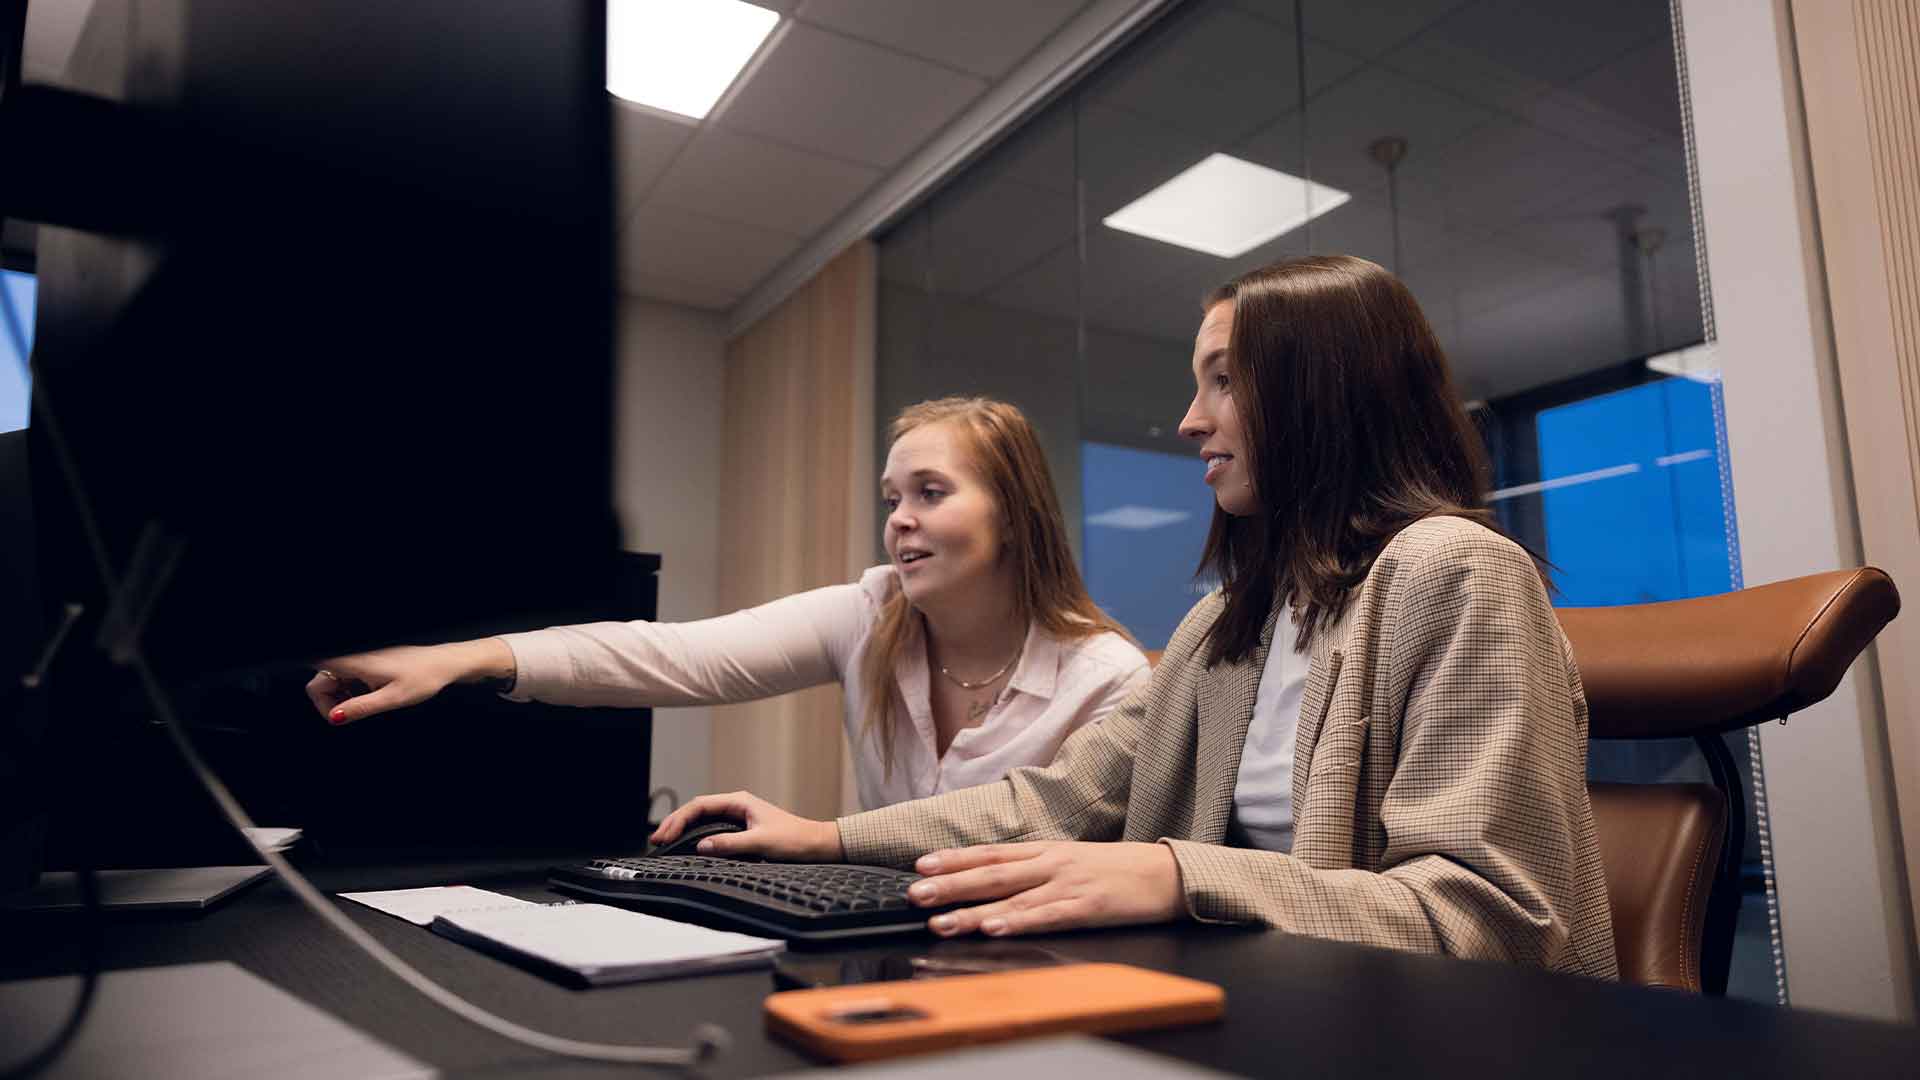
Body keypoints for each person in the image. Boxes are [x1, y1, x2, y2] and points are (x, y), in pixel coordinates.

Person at [651, 255, 1620, 979]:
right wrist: (828, 837)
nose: (1191, 419)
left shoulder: (1456, 574)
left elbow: (1495, 919)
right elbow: (1059, 801)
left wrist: (1175, 875)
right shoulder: (1226, 627)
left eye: (1224, 379)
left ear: (1323, 392)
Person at [304, 397, 1149, 810]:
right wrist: (460, 660)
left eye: (931, 492)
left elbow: (1043, 843)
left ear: (1015, 513)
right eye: (891, 497)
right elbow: (673, 655)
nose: (900, 521)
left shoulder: (1101, 676)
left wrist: (814, 841)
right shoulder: (870, 614)